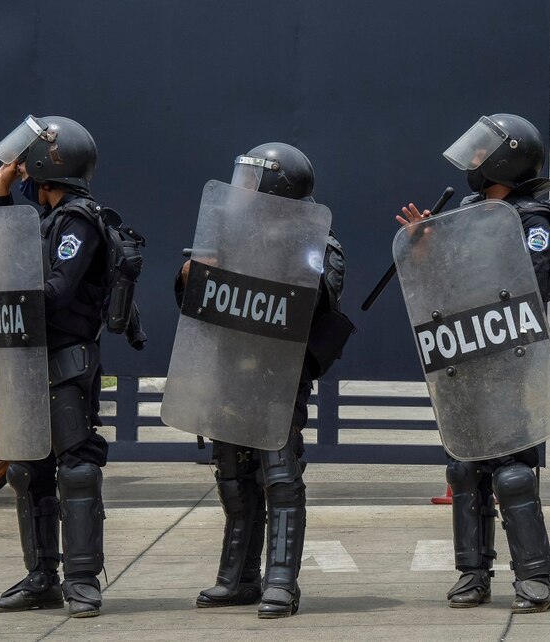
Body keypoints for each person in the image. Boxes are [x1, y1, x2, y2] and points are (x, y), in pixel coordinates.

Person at [398, 113, 550, 613]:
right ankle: (472, 574)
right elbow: (440, 291)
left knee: (514, 473)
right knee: (464, 467)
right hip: (465, 355)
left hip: (514, 360)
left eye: (483, 154)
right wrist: (426, 248)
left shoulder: (534, 220)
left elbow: (524, 288)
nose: (474, 163)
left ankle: (534, 578)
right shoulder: (468, 211)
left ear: (504, 160)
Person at [174, 143, 352, 619]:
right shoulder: (231, 234)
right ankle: (238, 579)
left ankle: (281, 584)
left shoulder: (319, 242)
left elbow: (317, 301)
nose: (243, 189)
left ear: (279, 186)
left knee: (280, 477)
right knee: (234, 478)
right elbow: (196, 303)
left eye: (252, 180)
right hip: (230, 371)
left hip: (279, 376)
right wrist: (192, 274)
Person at [0, 116, 112, 617]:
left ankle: (81, 581)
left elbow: (58, 291)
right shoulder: (43, 220)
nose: (19, 172)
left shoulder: (78, 221)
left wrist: (20, 294)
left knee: (76, 470)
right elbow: (6, 256)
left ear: (44, 166)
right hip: (29, 359)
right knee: (26, 468)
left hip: (65, 359)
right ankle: (41, 576)